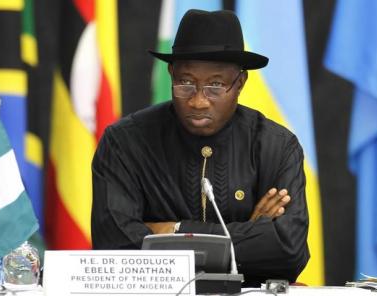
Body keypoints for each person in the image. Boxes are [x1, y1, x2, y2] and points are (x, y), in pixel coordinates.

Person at [91, 9, 309, 286]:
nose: (198, 101)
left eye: (216, 86)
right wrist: (251, 233)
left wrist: (172, 231)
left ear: (240, 83)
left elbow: (288, 249)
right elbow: (115, 247)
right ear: (171, 73)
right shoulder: (124, 142)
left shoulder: (276, 146)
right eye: (185, 83)